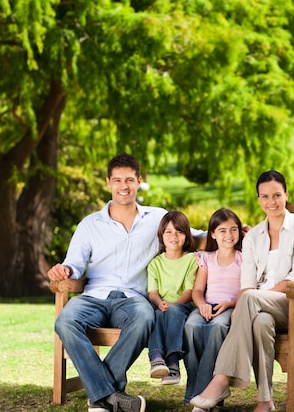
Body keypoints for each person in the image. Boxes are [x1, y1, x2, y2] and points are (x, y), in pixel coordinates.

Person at [47, 153, 203, 412]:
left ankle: (100, 396)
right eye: (117, 180)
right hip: (94, 296)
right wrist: (63, 269)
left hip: (133, 300)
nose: (123, 186)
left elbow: (193, 235)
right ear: (108, 182)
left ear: (139, 181)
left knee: (145, 319)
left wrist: (233, 231)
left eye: (129, 180)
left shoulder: (156, 218)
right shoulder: (90, 224)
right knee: (65, 321)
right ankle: (110, 394)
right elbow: (73, 264)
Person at [190, 170, 294, 412]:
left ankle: (221, 379)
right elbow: (247, 282)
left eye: (277, 195)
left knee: (251, 299)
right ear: (258, 199)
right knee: (260, 321)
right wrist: (252, 299)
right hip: (260, 310)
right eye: (264, 196)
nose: (271, 202)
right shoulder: (253, 238)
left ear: (286, 194)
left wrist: (260, 296)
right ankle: (265, 401)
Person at [183, 208, 244, 409]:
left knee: (218, 327)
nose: (229, 235)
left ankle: (203, 394)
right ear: (212, 234)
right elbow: (198, 290)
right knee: (191, 326)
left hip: (229, 307)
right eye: (223, 230)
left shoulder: (243, 259)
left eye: (234, 230)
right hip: (206, 306)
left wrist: (230, 303)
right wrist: (201, 305)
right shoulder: (207, 258)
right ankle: (198, 392)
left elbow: (247, 290)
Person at [147, 210, 199, 386]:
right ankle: (156, 359)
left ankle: (173, 363)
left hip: (182, 306)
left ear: (186, 235)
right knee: (155, 314)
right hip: (161, 306)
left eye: (179, 231)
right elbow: (152, 292)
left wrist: (173, 305)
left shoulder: (192, 260)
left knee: (173, 311)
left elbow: (189, 291)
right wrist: (159, 302)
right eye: (168, 231)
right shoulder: (155, 263)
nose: (174, 236)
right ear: (161, 235)